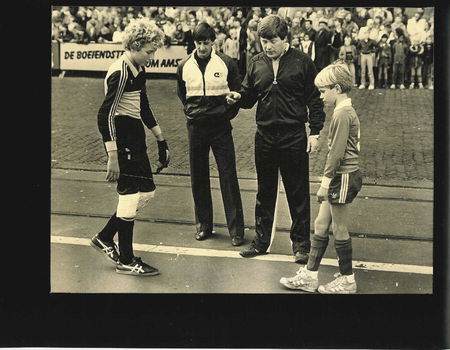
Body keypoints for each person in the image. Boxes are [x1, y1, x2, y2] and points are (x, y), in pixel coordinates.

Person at [226, 15, 325, 263]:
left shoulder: (303, 62)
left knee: (297, 193)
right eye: (263, 41)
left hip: (293, 136)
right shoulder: (256, 63)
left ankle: (301, 246)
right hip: (265, 137)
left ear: (284, 39)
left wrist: (314, 132)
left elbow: (315, 99)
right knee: (265, 192)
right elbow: (249, 95)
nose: (267, 46)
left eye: (272, 41)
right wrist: (238, 97)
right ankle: (261, 242)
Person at [92, 18, 170, 276]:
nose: (152, 56)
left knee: (146, 193)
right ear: (135, 46)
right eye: (149, 51)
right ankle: (125, 259)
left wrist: (161, 139)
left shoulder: (138, 68)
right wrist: (112, 155)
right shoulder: (121, 71)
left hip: (135, 138)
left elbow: (143, 105)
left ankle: (105, 237)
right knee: (128, 196)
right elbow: (105, 115)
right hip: (122, 140)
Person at [279, 61, 362, 294]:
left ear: (336, 88)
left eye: (323, 91)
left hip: (342, 176)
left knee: (340, 228)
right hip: (341, 176)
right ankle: (310, 275)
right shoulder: (343, 110)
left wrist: (325, 185)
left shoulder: (342, 114)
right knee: (320, 224)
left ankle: (347, 279)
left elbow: (336, 155)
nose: (320, 96)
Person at [176, 22, 245, 246]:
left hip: (220, 127)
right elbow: (182, 94)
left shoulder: (226, 63)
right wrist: (191, 113)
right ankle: (203, 225)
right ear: (193, 43)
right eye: (199, 43)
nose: (202, 47)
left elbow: (238, 92)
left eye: (206, 43)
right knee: (199, 176)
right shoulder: (184, 65)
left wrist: (226, 113)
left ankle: (236, 231)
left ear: (213, 42)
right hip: (196, 128)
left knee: (228, 176)